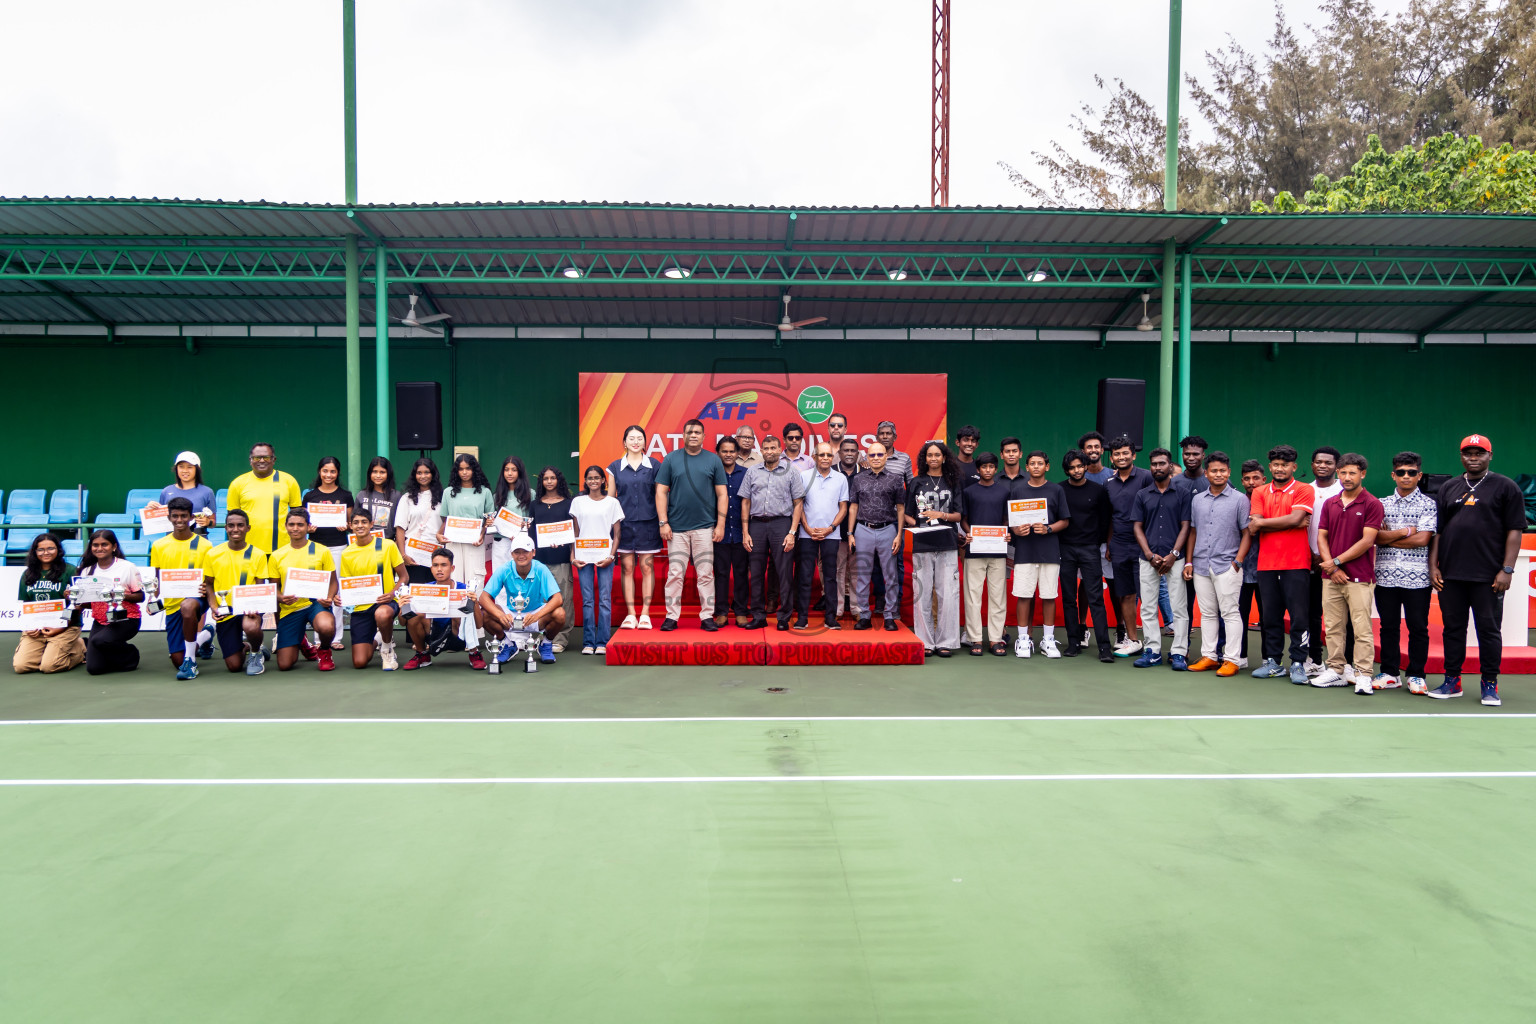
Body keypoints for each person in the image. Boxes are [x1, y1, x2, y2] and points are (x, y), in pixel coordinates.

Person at [1428, 434, 1525, 706]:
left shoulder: (1506, 487)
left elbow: (1514, 531)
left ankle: (1490, 684)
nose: (1473, 457)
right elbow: (1439, 531)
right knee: (1453, 629)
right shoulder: (1449, 487)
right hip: (1451, 574)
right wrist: (1433, 564)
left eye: (1479, 453)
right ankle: (1452, 681)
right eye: (1468, 453)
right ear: (1461, 456)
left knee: (1489, 630)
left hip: (1488, 575)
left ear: (1489, 456)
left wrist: (1507, 569)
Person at [1312, 453, 1385, 694]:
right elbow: (1321, 536)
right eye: (1342, 473)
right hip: (1331, 577)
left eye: (1352, 473)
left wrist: (1336, 561)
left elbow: (1367, 541)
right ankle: (1336, 670)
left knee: (1361, 627)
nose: (1346, 477)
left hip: (1359, 577)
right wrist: (1332, 567)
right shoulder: (1330, 503)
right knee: (1333, 626)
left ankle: (1363, 674)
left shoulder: (1372, 503)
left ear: (1362, 474)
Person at [1248, 444, 1315, 684]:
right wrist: (1290, 522)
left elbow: (1296, 517)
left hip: (1296, 563)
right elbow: (1254, 524)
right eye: (1275, 464)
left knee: (1299, 616)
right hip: (1266, 564)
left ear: (1294, 467)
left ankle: (1298, 663)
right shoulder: (1259, 492)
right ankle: (1273, 662)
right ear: (1270, 467)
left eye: (1285, 464)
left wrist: (1269, 522)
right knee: (1270, 617)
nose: (1279, 468)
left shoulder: (1304, 489)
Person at [656, 419, 729, 632]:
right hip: (676, 529)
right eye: (689, 432)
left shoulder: (713, 461)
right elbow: (661, 491)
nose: (693, 435)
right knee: (675, 574)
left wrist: (720, 524)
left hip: (705, 528)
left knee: (706, 573)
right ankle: (671, 616)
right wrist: (663, 522)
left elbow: (722, 494)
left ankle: (707, 616)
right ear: (684, 435)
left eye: (697, 432)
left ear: (704, 436)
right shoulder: (671, 459)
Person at [1181, 452, 1251, 676]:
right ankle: (1210, 656)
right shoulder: (1197, 499)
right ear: (1207, 473)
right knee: (1208, 613)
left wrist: (1238, 561)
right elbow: (1192, 532)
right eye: (1214, 470)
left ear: (1229, 473)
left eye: (1223, 470)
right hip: (1201, 565)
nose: (1218, 474)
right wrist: (1189, 561)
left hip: (1227, 565)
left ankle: (1232, 659)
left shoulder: (1240, 499)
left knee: (1230, 613)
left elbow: (1247, 533)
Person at [1374, 451, 1437, 694]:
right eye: (1401, 472)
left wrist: (1388, 537)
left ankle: (1416, 675)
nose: (1406, 476)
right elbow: (1375, 537)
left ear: (1419, 475)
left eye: (1411, 472)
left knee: (1418, 627)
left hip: (1418, 578)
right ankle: (1390, 673)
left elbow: (1423, 540)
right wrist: (1405, 532)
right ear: (1393, 475)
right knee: (1388, 627)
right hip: (1385, 576)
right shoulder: (1381, 504)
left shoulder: (1429, 504)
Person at [1130, 448, 1191, 669]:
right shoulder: (1142, 495)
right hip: (1148, 559)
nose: (1157, 467)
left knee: (1179, 607)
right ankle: (1152, 650)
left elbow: (1186, 525)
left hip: (1176, 558)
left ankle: (1179, 653)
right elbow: (1137, 526)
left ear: (1170, 465)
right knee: (1147, 607)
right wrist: (1148, 554)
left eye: (1162, 463)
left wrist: (1173, 555)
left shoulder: (1183, 493)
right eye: (1154, 464)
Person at [741, 435, 805, 630]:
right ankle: (758, 616)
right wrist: (746, 532)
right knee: (757, 572)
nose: (769, 451)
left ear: (780, 449)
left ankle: (783, 617)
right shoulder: (752, 472)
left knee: (784, 572)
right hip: (757, 525)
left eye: (773, 448)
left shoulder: (791, 472)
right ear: (761, 450)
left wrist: (792, 532)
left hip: (782, 525)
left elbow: (798, 503)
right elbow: (745, 501)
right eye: (765, 448)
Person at [1010, 450, 1069, 658]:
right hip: (1025, 552)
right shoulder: (1017, 490)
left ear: (1047, 466)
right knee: (1024, 596)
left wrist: (1049, 529)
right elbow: (1012, 524)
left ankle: (1048, 640)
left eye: (1040, 463)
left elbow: (1065, 520)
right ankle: (1024, 640)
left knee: (1049, 596)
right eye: (1032, 463)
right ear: (1026, 467)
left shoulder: (1056, 490)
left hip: (1049, 552)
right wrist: (1017, 530)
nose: (1036, 466)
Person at [906, 441, 962, 655]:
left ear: (944, 457)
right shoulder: (916, 482)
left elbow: (958, 515)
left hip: (947, 543)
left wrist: (940, 516)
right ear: (924, 458)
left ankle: (946, 641)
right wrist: (922, 524)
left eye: (937, 455)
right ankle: (925, 642)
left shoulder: (953, 481)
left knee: (948, 594)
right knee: (922, 595)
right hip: (923, 544)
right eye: (929, 455)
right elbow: (909, 514)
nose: (933, 458)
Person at [1058, 449, 1114, 662]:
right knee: (1069, 598)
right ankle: (1073, 642)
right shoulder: (1059, 490)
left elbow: (1106, 520)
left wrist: (1099, 543)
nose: (1077, 470)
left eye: (1080, 466)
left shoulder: (1098, 490)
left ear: (1085, 467)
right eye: (1072, 468)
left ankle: (1104, 647)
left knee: (1095, 598)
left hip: (1090, 549)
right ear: (1067, 470)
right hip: (1065, 548)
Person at [149, 496, 214, 678]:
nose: (179, 520)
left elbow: (210, 579)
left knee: (187, 607)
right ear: (169, 517)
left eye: (184, 516)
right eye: (175, 516)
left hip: (196, 600)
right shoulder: (159, 546)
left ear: (191, 517)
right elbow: (157, 579)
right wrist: (153, 600)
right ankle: (205, 636)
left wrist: (205, 587)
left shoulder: (205, 545)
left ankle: (191, 661)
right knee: (176, 660)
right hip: (171, 605)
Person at [478, 534, 567, 665]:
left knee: (559, 614)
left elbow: (557, 598)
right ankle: (507, 644)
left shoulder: (540, 568)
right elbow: (484, 597)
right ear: (511, 554)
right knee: (484, 614)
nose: (521, 555)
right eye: (517, 552)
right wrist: (500, 615)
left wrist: (537, 615)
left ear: (533, 552)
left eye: (525, 551)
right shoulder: (504, 569)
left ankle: (546, 644)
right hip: (511, 616)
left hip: (535, 614)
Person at [268, 508, 339, 672]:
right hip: (291, 608)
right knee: (284, 665)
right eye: (291, 524)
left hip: (316, 604)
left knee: (326, 626)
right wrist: (281, 598)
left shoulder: (322, 551)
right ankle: (303, 642)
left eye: (300, 525)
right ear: (285, 526)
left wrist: (329, 597)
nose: (295, 528)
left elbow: (333, 582)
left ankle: (324, 651)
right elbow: (274, 588)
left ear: (308, 526)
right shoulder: (277, 555)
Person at [203, 509, 271, 675]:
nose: (235, 529)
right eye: (231, 525)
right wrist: (213, 607)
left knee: (250, 625)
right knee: (234, 666)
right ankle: (248, 646)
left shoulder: (258, 554)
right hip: (226, 611)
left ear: (248, 528)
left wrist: (255, 608)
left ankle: (255, 653)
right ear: (225, 528)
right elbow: (209, 585)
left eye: (240, 525)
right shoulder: (212, 554)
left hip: (249, 609)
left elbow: (259, 587)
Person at [337, 508, 406, 670]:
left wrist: (392, 594)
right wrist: (340, 597)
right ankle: (379, 638)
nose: (360, 526)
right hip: (361, 607)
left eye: (364, 522)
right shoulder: (347, 553)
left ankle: (387, 648)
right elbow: (348, 584)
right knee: (360, 662)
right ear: (350, 526)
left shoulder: (387, 545)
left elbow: (404, 577)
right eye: (355, 523)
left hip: (386, 603)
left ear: (371, 524)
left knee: (381, 614)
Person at [848, 442, 907, 631]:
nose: (875, 458)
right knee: (863, 574)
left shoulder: (896, 479)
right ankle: (864, 614)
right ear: (867, 457)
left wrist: (899, 534)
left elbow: (900, 508)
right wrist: (850, 533)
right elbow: (853, 507)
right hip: (863, 529)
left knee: (890, 575)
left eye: (879, 454)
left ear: (886, 456)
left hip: (888, 529)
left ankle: (889, 615)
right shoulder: (858, 479)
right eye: (872, 455)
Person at [1104, 436, 1153, 657]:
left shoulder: (1146, 477)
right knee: (1125, 594)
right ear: (1111, 457)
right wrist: (1109, 544)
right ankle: (1133, 640)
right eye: (1116, 454)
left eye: (1125, 453)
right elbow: (1110, 517)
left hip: (1144, 545)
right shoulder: (1109, 484)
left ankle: (1153, 642)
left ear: (1133, 455)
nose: (1121, 457)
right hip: (1119, 544)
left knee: (1147, 595)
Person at [71, 529, 144, 675]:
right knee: (94, 669)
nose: (99, 548)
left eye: (104, 544)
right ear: (91, 547)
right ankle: (110, 650)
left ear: (114, 547)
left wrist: (117, 594)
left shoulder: (127, 567)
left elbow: (140, 597)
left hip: (125, 618)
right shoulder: (87, 571)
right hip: (101, 620)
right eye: (95, 545)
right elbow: (88, 603)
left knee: (99, 641)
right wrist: (74, 599)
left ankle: (130, 654)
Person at [401, 548, 486, 671]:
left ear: (452, 568)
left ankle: (474, 653)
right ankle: (421, 654)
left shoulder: (464, 589)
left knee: (462, 612)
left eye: (444, 565)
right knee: (416, 613)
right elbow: (403, 622)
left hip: (458, 635)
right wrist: (403, 607)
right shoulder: (423, 589)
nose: (439, 569)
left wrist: (475, 603)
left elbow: (479, 625)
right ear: (431, 569)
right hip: (433, 633)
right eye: (435, 565)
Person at [610, 425, 661, 628]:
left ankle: (646, 614)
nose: (635, 441)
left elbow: (660, 495)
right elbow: (611, 500)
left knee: (647, 568)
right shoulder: (614, 467)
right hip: (624, 525)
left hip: (648, 524)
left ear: (645, 442)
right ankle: (631, 614)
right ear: (624, 442)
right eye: (631, 438)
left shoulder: (655, 466)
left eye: (639, 438)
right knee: (627, 568)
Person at [571, 465, 625, 655]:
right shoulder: (578, 502)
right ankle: (588, 641)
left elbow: (617, 533)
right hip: (583, 556)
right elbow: (575, 532)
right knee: (587, 600)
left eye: (597, 478)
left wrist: (611, 556)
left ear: (604, 480)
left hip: (604, 556)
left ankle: (602, 641)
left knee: (604, 599)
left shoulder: (612, 503)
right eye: (589, 478)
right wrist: (573, 556)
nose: (593, 481)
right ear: (585, 481)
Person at [13, 532, 85, 674]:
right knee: (21, 666)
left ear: (58, 550)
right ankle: (48, 651)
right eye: (40, 549)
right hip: (37, 629)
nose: (46, 552)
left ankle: (79, 648)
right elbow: (26, 605)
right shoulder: (28, 574)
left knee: (49, 666)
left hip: (65, 626)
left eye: (51, 548)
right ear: (35, 552)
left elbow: (78, 606)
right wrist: (29, 627)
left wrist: (60, 627)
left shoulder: (70, 571)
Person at [960, 452, 1010, 656]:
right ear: (978, 470)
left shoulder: (1004, 491)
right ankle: (975, 639)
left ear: (996, 468)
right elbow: (963, 519)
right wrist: (968, 532)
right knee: (973, 596)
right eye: (984, 467)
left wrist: (1006, 533)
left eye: (991, 467)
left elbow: (1008, 518)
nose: (987, 470)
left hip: (998, 550)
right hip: (974, 550)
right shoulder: (969, 492)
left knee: (998, 596)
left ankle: (996, 639)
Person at [796, 443, 850, 630]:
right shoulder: (803, 477)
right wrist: (807, 527)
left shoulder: (841, 479)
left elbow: (843, 507)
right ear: (815, 456)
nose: (825, 458)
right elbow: (799, 505)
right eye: (821, 455)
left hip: (831, 535)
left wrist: (831, 528)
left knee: (830, 577)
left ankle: (831, 618)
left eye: (828, 454)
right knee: (804, 576)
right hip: (806, 534)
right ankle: (802, 618)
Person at [1305, 445, 1343, 675]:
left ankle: (1343, 663)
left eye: (1328, 462)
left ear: (1336, 467)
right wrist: (1312, 556)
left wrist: (1331, 560)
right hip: (1308, 562)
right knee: (1311, 614)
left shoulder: (1345, 490)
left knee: (1339, 617)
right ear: (1312, 465)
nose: (1322, 466)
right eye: (1318, 462)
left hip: (1336, 564)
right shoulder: (1305, 490)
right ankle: (1315, 660)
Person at [531, 466, 577, 654]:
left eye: (552, 478)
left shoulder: (568, 503)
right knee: (541, 599)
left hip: (561, 558)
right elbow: (530, 531)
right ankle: (542, 636)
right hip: (539, 559)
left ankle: (561, 638)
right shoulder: (535, 505)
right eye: (545, 479)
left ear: (559, 480)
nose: (549, 482)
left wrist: (564, 543)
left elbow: (574, 531)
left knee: (563, 598)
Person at [226, 442, 303, 554]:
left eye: (266, 457)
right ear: (250, 460)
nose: (261, 461)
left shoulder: (289, 481)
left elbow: (298, 516)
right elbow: (232, 520)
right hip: (248, 549)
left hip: (282, 549)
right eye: (257, 458)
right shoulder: (237, 483)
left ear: (274, 460)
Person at [438, 453, 495, 592]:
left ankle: (474, 613)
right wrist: (439, 535)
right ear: (456, 471)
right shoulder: (448, 492)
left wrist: (482, 535)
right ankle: (455, 613)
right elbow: (445, 519)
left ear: (474, 470)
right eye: (461, 469)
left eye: (468, 468)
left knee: (475, 579)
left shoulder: (485, 492)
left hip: (475, 542)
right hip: (453, 542)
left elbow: (489, 520)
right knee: (454, 577)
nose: (464, 472)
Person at [712, 437, 751, 627]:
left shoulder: (746, 473)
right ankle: (721, 612)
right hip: (719, 532)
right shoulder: (712, 473)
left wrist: (747, 531)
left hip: (741, 532)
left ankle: (741, 610)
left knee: (741, 573)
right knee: (720, 573)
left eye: (731, 451)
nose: (728, 455)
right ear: (718, 453)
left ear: (737, 453)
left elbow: (750, 502)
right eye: (724, 451)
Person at [394, 457, 444, 585]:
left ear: (433, 474)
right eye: (419, 473)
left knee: (433, 593)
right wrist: (403, 555)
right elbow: (400, 529)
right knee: (413, 595)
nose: (423, 476)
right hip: (413, 555)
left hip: (435, 555)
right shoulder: (407, 498)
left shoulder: (442, 497)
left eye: (426, 472)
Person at [1237, 460, 1266, 668]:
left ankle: (1268, 659)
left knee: (1268, 617)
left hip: (1267, 569)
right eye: (1247, 478)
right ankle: (1240, 657)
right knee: (1239, 614)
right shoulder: (1238, 502)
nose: (1251, 482)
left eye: (1255, 478)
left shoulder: (1272, 501)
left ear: (1264, 480)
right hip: (1240, 568)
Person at [148, 451, 216, 535]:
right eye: (181, 467)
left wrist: (207, 522)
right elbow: (161, 519)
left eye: (190, 467)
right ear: (176, 469)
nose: (185, 471)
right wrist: (151, 509)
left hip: (196, 542)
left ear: (197, 469)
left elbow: (213, 522)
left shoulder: (207, 492)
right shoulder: (166, 491)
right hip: (172, 541)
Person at [490, 455, 533, 577]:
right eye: (506, 469)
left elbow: (533, 519)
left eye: (514, 470)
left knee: (520, 575)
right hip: (501, 541)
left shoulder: (530, 494)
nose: (510, 473)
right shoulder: (496, 496)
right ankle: (501, 598)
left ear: (520, 472)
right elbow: (492, 522)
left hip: (521, 542)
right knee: (501, 575)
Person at [834, 437, 862, 617]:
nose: (850, 454)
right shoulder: (831, 473)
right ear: (839, 453)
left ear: (858, 454)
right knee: (838, 570)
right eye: (846, 451)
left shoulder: (865, 473)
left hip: (860, 530)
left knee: (857, 571)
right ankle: (837, 608)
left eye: (853, 451)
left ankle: (856, 608)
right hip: (836, 530)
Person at [354, 456, 403, 540]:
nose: (378, 475)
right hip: (364, 542)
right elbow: (354, 521)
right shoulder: (361, 495)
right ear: (370, 473)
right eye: (374, 472)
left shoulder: (396, 496)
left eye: (382, 472)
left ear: (388, 474)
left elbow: (400, 525)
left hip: (387, 542)